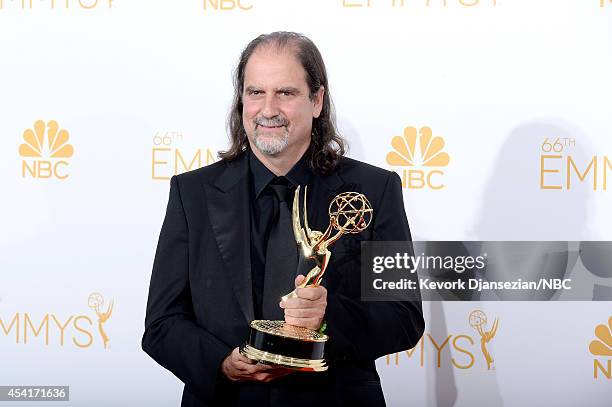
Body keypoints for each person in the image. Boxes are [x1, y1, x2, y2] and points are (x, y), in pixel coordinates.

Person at [142, 31, 425, 407]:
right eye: (255, 92)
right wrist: (221, 364)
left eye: (285, 93)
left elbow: (404, 317)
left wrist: (328, 317)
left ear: (317, 100)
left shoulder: (374, 190)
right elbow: (162, 324)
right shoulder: (192, 193)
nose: (267, 108)